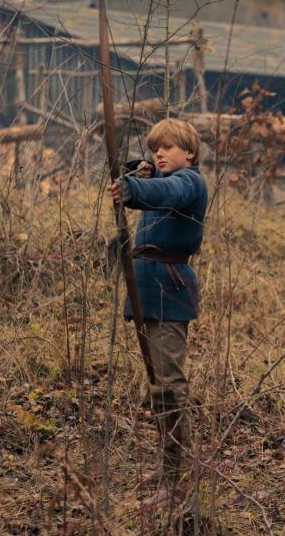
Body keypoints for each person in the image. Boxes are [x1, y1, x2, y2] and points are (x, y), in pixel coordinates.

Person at [108, 118, 208, 510]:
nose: (160, 154)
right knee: (157, 386)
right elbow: (149, 183)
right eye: (156, 149)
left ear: (190, 154)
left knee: (169, 387)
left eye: (168, 148)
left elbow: (164, 192)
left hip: (169, 287)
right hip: (148, 286)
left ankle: (176, 475)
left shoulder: (190, 182)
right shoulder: (162, 175)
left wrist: (135, 187)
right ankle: (171, 464)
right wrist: (135, 173)